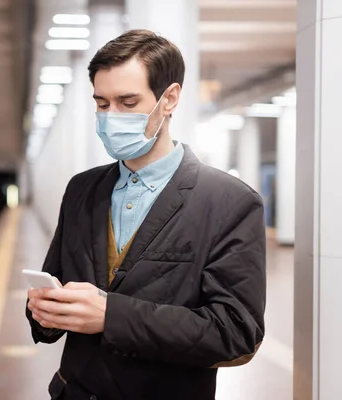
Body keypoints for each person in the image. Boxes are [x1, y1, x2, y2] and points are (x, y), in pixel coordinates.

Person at [25, 29, 266, 400]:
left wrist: (110, 316)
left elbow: (235, 332)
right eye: (102, 104)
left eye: (127, 101)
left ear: (169, 99)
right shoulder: (81, 190)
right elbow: (58, 281)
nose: (111, 117)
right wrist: (43, 312)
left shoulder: (228, 202)